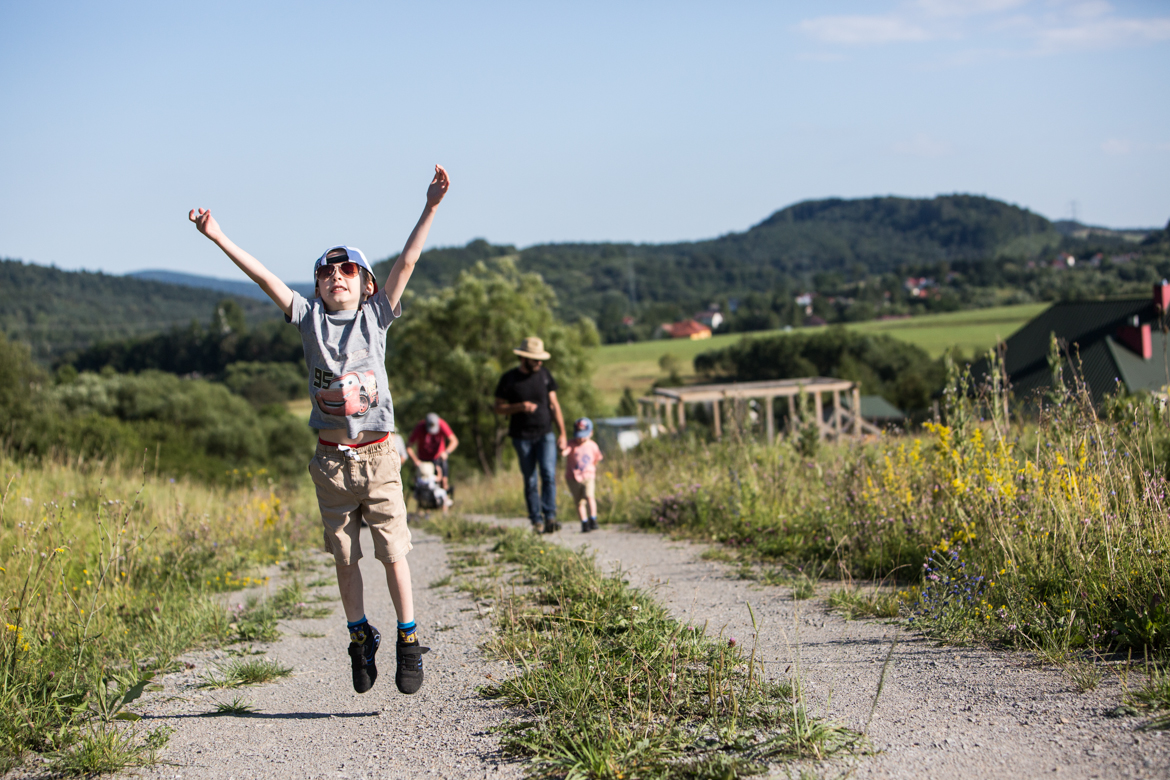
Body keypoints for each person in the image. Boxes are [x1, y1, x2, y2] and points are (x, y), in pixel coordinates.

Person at [187, 164, 450, 696]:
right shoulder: (307, 319)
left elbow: (409, 259)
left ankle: (407, 636)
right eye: (327, 274)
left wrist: (431, 207)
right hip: (330, 462)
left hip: (377, 456)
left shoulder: (377, 317)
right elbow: (264, 278)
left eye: (348, 272)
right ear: (317, 287)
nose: (337, 279)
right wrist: (217, 236)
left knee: (393, 551)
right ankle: (359, 636)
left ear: (366, 284)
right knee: (344, 556)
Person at [494, 337, 567, 533]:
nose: (539, 363)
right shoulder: (508, 379)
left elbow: (554, 405)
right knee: (531, 479)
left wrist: (563, 434)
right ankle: (536, 520)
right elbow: (498, 408)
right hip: (521, 437)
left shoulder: (544, 375)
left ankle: (550, 517)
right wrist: (520, 407)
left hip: (545, 433)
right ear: (524, 359)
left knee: (548, 474)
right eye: (535, 359)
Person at [562, 417, 603, 533]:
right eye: (578, 435)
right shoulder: (571, 443)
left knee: (589, 496)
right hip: (573, 477)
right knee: (579, 501)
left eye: (584, 435)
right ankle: (584, 523)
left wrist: (591, 468)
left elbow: (597, 458)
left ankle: (593, 519)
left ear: (591, 433)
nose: (580, 438)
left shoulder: (593, 445)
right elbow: (564, 452)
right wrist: (560, 448)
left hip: (588, 475)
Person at [407, 413, 459, 495]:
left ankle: (444, 504)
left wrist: (446, 452)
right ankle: (425, 504)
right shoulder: (420, 427)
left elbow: (454, 441)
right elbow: (408, 446)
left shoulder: (442, 424)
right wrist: (415, 460)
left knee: (443, 482)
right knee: (423, 485)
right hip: (423, 460)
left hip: (438, 458)